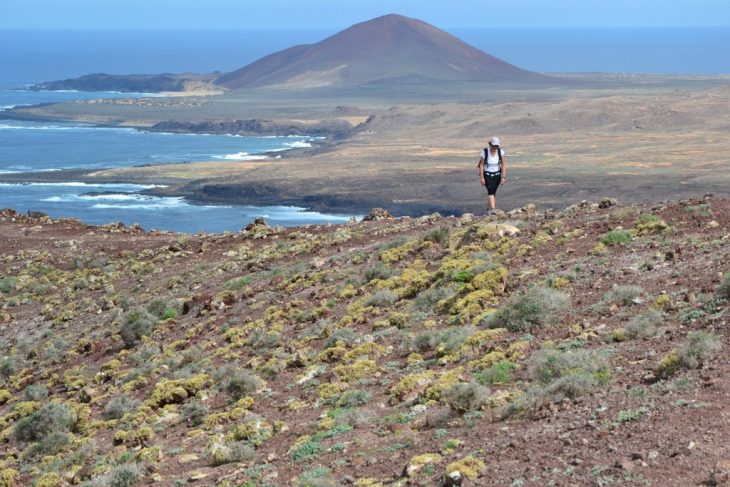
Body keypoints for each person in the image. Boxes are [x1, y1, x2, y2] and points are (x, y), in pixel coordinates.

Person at [478, 136, 507, 215]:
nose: (495, 148)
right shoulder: (485, 152)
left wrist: (503, 177)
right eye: (494, 146)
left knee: (492, 193)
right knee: (490, 191)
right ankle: (494, 210)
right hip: (487, 175)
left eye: (496, 146)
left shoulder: (500, 152)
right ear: (490, 144)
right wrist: (482, 178)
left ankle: (489, 210)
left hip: (497, 175)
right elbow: (481, 165)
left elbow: (504, 164)